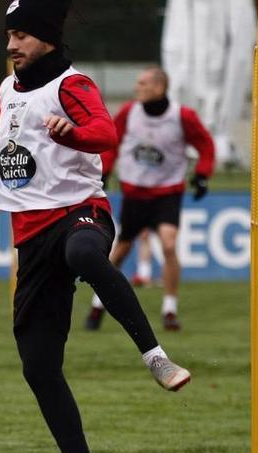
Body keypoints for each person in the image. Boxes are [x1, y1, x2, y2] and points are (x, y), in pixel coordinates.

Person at [0, 2, 191, 453]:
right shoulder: (6, 90)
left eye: (22, 35)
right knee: (38, 367)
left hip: (81, 212)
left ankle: (156, 356)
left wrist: (73, 133)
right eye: (10, 34)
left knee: (82, 254)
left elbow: (105, 133)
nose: (12, 44)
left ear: (48, 40)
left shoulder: (72, 86)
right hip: (30, 237)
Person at [86, 66, 214, 332]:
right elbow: (112, 141)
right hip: (135, 192)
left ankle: (169, 309)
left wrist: (202, 174)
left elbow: (206, 145)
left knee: (168, 245)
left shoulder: (182, 116)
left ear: (159, 87)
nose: (137, 88)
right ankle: (98, 305)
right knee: (120, 251)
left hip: (167, 192)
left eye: (143, 83)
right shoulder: (129, 112)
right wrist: (105, 168)